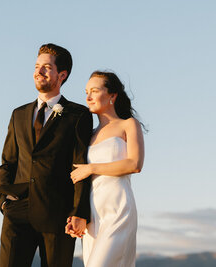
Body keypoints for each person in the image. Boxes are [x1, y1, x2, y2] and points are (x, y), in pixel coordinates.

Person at [0, 43, 93, 267]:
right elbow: (8, 162)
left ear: (62, 74)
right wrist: (4, 203)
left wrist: (79, 211)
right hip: (16, 212)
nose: (39, 71)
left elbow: (81, 166)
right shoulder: (18, 114)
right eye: (37, 66)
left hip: (58, 216)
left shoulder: (78, 115)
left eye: (47, 67)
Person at [65, 71, 145, 267]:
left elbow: (135, 164)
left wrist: (91, 168)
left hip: (118, 208)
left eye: (94, 90)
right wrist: (77, 214)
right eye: (86, 92)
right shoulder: (88, 135)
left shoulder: (128, 125)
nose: (88, 97)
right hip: (93, 214)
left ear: (112, 95)